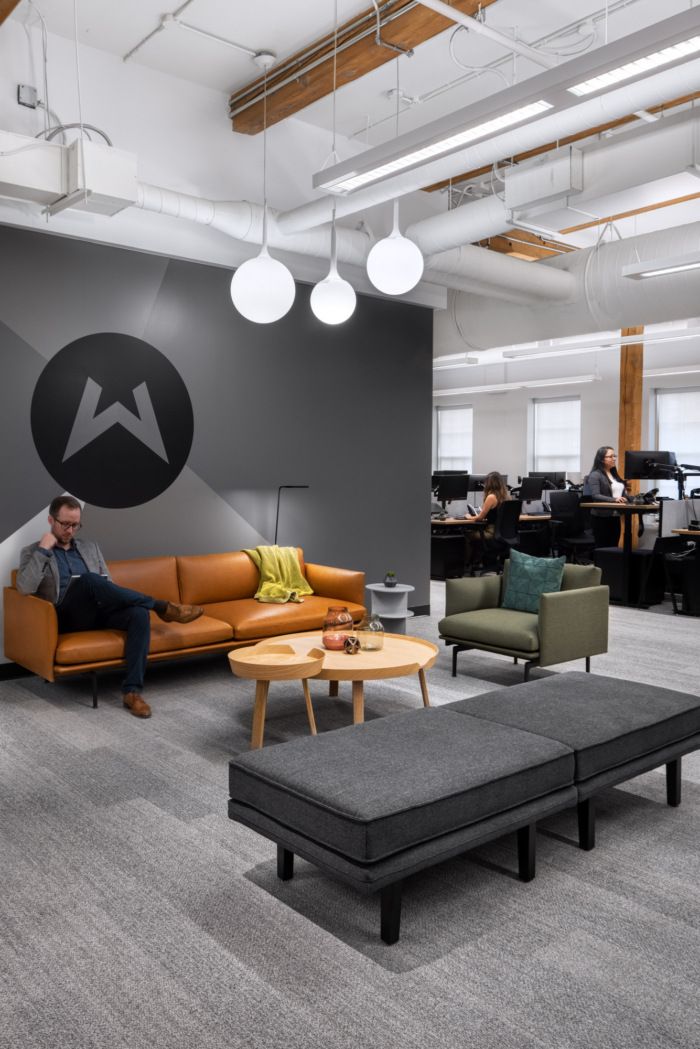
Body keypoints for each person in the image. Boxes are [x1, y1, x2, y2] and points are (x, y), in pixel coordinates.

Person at [16, 496, 204, 719]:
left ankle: (132, 691)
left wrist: (115, 598)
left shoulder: (90, 547)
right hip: (65, 617)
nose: (70, 530)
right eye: (64, 524)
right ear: (51, 520)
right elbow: (24, 587)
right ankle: (161, 606)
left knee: (138, 614)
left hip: (98, 610)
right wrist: (44, 550)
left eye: (75, 525)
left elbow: (108, 584)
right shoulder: (33, 551)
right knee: (88, 580)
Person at [583, 446, 629, 547]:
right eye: (610, 456)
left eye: (614, 456)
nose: (614, 459)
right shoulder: (595, 475)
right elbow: (596, 496)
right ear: (601, 459)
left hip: (615, 516)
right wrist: (614, 500)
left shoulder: (614, 474)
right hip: (601, 516)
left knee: (613, 546)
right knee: (603, 547)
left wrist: (631, 498)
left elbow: (621, 493)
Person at [465, 471, 510, 569]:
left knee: (466, 534)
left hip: (491, 533)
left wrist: (469, 517)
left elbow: (480, 517)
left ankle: (469, 565)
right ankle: (478, 562)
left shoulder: (491, 497)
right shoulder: (506, 497)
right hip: (504, 535)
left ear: (489, 483)